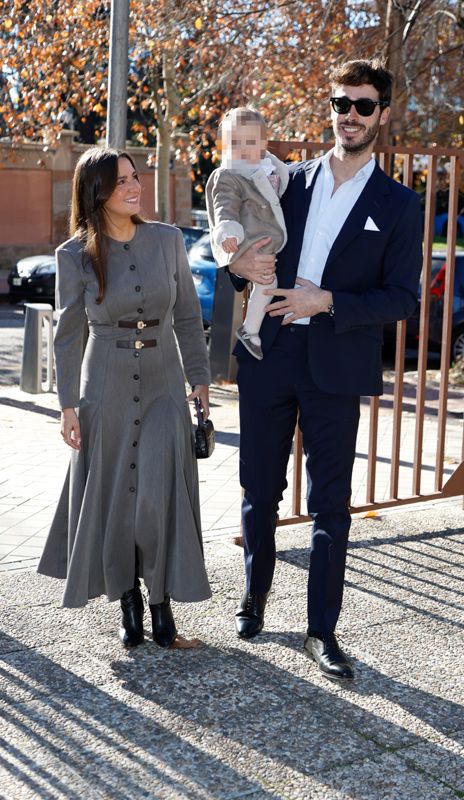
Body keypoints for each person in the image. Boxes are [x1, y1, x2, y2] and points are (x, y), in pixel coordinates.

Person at [227, 59, 423, 681]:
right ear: (331, 108)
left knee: (330, 503)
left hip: (336, 362)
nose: (351, 115)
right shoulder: (287, 181)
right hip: (270, 352)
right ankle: (254, 601)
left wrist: (328, 301)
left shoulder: (399, 204)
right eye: (342, 103)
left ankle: (322, 631)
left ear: (383, 115)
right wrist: (240, 267)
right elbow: (239, 241)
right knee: (259, 488)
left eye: (364, 106)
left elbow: (403, 298)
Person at [37, 146, 211, 650]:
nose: (135, 187)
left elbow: (185, 317)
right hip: (104, 384)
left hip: (163, 380)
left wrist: (198, 378)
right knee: (114, 496)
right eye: (122, 183)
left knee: (156, 494)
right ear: (97, 193)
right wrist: (67, 404)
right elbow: (68, 333)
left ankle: (163, 609)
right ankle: (129, 603)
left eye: (137, 177)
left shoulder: (168, 240)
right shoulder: (73, 255)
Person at [206, 107, 289, 360]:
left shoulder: (271, 168)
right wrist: (228, 233)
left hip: (265, 239)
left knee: (267, 283)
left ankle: (250, 331)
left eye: (251, 142)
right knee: (267, 282)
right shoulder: (228, 175)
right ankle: (250, 332)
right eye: (235, 142)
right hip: (247, 240)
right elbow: (224, 208)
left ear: (264, 143)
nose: (243, 148)